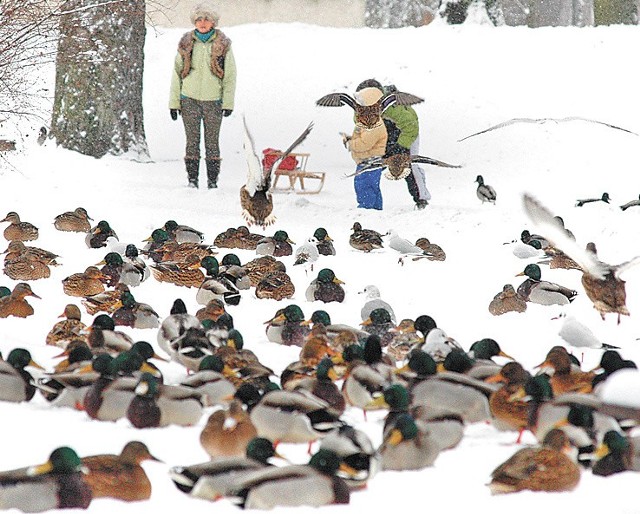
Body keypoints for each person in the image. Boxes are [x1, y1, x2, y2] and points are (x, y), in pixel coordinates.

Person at [169, 4, 236, 189]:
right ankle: (192, 180)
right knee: (192, 141)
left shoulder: (223, 45)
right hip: (188, 99)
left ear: (213, 22)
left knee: (212, 142)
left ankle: (212, 181)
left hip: (214, 101)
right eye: (199, 19)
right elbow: (176, 74)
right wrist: (174, 103)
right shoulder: (186, 44)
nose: (202, 23)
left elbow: (230, 75)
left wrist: (228, 102)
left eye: (206, 19)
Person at [355, 79, 431, 209]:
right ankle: (369, 205)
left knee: (409, 165)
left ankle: (421, 199)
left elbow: (411, 127)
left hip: (406, 134)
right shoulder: (361, 106)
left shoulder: (393, 107)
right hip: (383, 135)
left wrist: (402, 145)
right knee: (368, 167)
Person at [343, 86, 387, 210]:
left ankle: (366, 208)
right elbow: (362, 136)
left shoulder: (374, 124)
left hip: (369, 161)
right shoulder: (367, 121)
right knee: (372, 186)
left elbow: (365, 143)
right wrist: (351, 138)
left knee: (363, 185)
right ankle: (376, 208)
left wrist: (350, 144)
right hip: (369, 161)